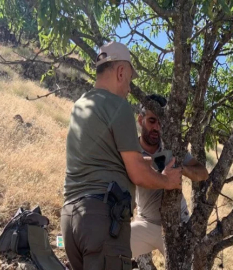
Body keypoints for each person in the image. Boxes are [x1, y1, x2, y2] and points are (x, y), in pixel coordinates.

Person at [60, 42, 182, 270]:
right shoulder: (119, 106)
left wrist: (143, 162)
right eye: (128, 80)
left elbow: (103, 158)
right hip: (103, 219)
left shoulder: (80, 106)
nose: (128, 87)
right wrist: (167, 181)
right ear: (120, 72)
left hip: (70, 219)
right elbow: (136, 173)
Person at [130, 94, 209, 259]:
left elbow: (203, 173)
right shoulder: (131, 150)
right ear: (140, 120)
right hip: (146, 223)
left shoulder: (172, 146)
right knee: (109, 250)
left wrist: (180, 168)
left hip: (178, 224)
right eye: (152, 121)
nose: (157, 128)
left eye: (161, 123)